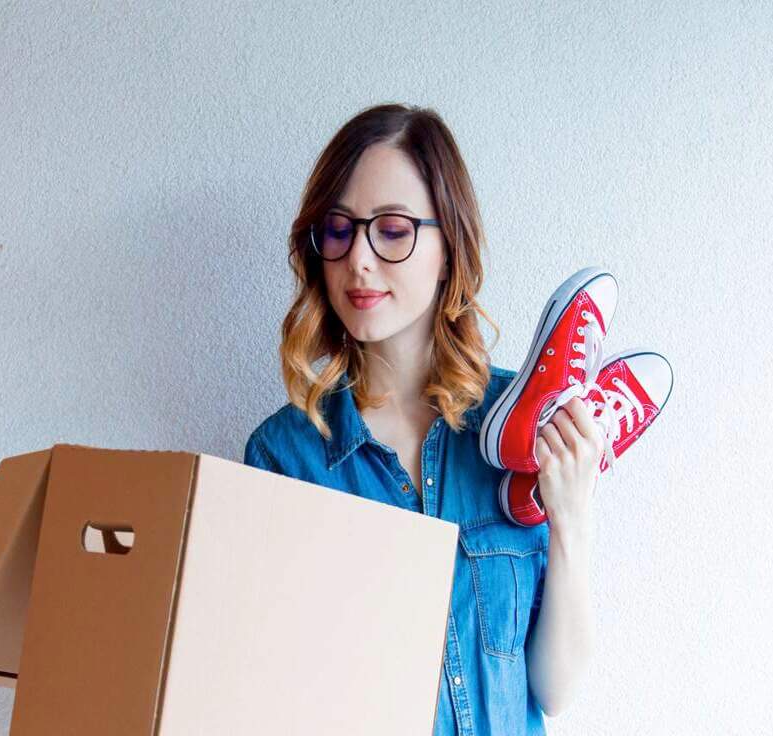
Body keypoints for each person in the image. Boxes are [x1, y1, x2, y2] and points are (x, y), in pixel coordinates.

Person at [243, 103, 601, 735]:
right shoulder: (283, 457)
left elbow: (554, 688)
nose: (358, 258)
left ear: (448, 248)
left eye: (393, 229)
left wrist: (571, 517)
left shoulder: (518, 427)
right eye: (339, 228)